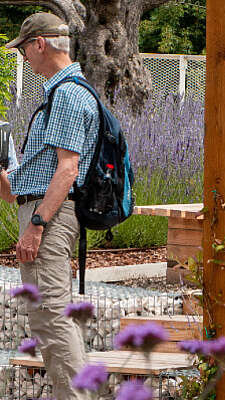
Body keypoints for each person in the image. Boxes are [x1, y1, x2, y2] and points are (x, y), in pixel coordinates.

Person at [1, 13, 99, 400]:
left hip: (51, 216)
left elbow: (68, 169)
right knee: (49, 318)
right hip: (43, 208)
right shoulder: (58, 93)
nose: (23, 57)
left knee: (52, 317)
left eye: (24, 48)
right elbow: (20, 187)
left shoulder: (69, 95)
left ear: (39, 44)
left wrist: (37, 224)